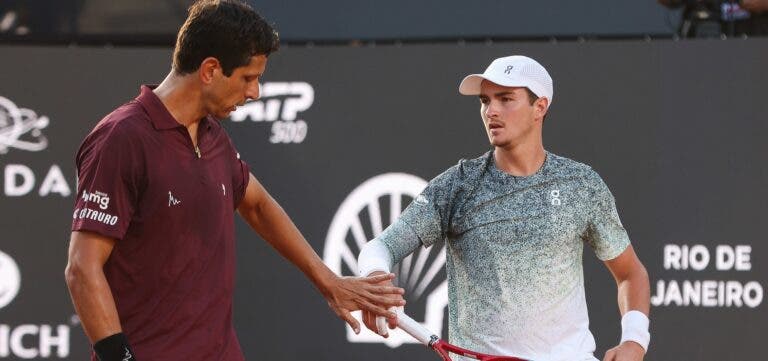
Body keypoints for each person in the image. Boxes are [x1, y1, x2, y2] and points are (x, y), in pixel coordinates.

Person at [64, 1, 404, 360]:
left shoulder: (213, 137)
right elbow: (82, 269)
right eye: (248, 78)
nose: (255, 92)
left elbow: (257, 205)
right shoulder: (122, 138)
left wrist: (328, 281)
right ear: (210, 69)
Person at [357, 55, 651, 361]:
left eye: (506, 99)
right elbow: (379, 247)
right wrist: (375, 283)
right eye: (485, 100)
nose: (491, 111)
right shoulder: (456, 187)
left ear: (540, 107)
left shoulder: (582, 184)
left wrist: (634, 339)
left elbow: (631, 274)